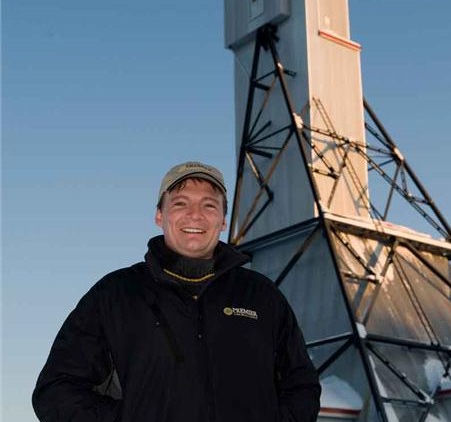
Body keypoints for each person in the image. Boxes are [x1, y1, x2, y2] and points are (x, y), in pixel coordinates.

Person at [33, 161, 321, 422]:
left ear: (222, 220)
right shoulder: (115, 294)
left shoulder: (262, 296)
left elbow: (302, 386)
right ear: (160, 215)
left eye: (209, 205)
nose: (195, 215)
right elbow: (56, 390)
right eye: (180, 203)